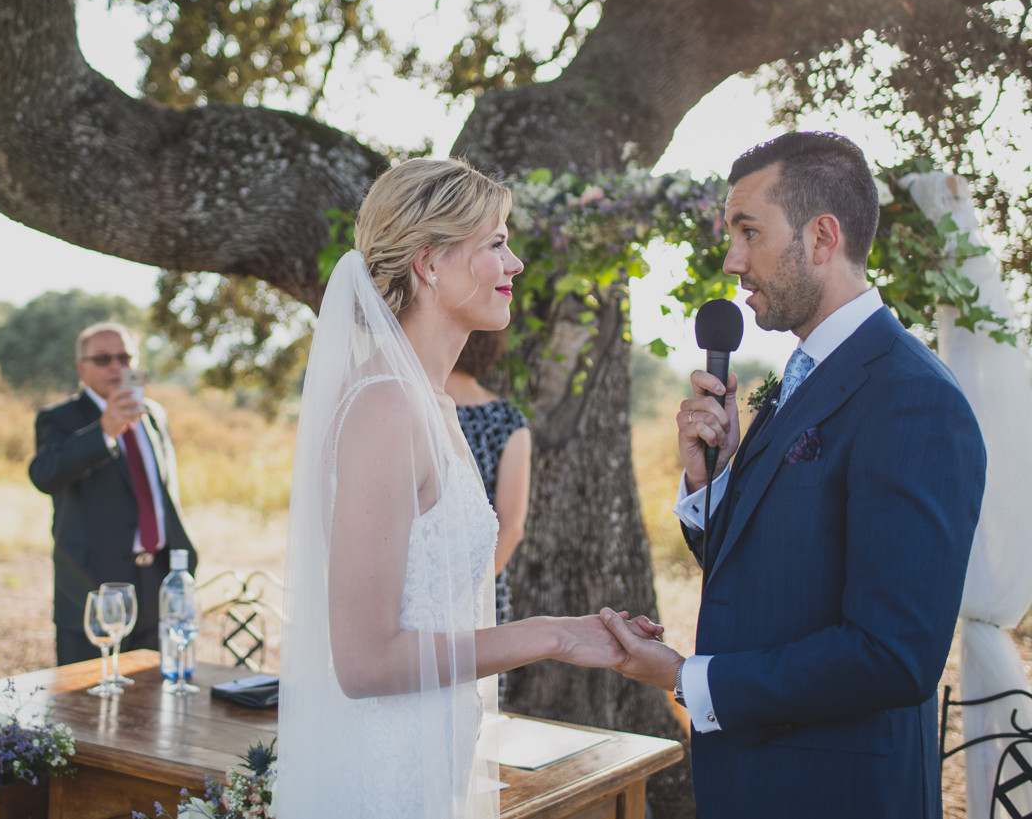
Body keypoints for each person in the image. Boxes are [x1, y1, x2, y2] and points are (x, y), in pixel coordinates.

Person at [600, 132, 987, 819]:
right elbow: (774, 572)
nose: (732, 259)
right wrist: (712, 481)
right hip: (753, 783)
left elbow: (893, 654)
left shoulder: (913, 397)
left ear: (822, 237)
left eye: (748, 231)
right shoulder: (804, 375)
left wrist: (690, 679)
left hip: (836, 795)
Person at [278, 158, 659, 819]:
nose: (515, 264)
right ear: (429, 263)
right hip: (380, 777)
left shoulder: (435, 406)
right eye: (496, 243)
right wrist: (549, 637)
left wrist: (566, 629)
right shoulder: (387, 408)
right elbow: (364, 663)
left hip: (433, 755)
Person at [29, 321, 198, 666]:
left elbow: (162, 493)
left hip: (157, 581)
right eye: (103, 359)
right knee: (90, 695)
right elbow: (44, 475)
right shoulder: (59, 418)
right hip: (93, 587)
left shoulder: (153, 414)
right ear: (82, 368)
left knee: (155, 692)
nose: (116, 367)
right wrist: (104, 431)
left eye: (125, 357)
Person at [449, 330, 531, 703]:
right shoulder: (509, 421)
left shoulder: (406, 406)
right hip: (481, 590)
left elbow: (511, 528)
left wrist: (458, 600)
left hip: (466, 594)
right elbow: (511, 528)